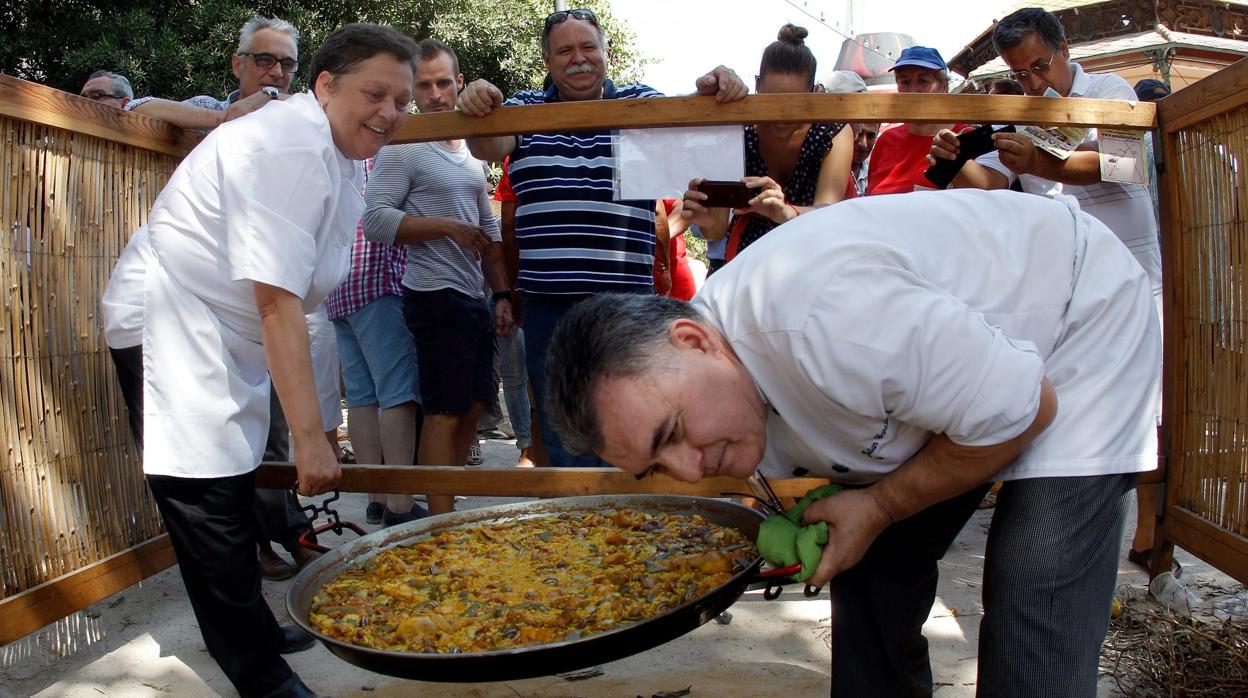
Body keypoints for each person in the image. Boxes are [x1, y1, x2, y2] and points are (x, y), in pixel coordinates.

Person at [545, 189, 1161, 697]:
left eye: (672, 434)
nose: (688, 471)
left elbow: (1025, 408)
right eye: (657, 467)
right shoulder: (730, 369)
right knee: (867, 565)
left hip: (1076, 317)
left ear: (693, 340)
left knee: (1035, 600)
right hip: (959, 376)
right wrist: (866, 514)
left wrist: (882, 504)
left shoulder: (830, 319)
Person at [130, 24, 417, 698]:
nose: (391, 112)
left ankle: (251, 635)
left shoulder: (337, 153)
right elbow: (277, 301)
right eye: (375, 93)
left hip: (226, 331)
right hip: (175, 321)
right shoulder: (290, 142)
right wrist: (314, 438)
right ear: (324, 85)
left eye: (403, 101)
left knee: (230, 491)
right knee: (207, 499)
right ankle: (260, 675)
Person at [456, 7, 747, 467]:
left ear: (606, 52)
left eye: (588, 46)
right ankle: (580, 524)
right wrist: (476, 101)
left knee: (634, 412)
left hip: (625, 300)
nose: (579, 58)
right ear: (548, 61)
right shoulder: (525, 109)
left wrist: (715, 86)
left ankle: (627, 522)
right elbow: (485, 144)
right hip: (549, 302)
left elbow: (690, 119)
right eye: (565, 50)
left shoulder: (637, 101)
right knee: (562, 420)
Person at [363, 38, 513, 516]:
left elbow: (486, 228)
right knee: (444, 412)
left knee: (472, 409)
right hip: (433, 294)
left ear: (459, 83)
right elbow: (376, 221)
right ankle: (441, 524)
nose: (434, 93)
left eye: (443, 82)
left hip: (474, 295)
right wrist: (447, 228)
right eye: (423, 85)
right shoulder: (404, 145)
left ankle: (443, 504)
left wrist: (504, 293)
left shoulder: (471, 153)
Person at [929, 8, 1162, 301]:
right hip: (1063, 278)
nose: (1034, 83)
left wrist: (1037, 162)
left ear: (1063, 48)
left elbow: (1124, 163)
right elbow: (989, 182)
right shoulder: (1015, 117)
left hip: (1129, 265)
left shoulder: (1107, 89)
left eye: (1041, 66)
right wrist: (954, 161)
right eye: (1021, 74)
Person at [683, 25, 852, 262]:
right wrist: (707, 222)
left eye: (794, 105)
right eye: (772, 101)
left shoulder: (832, 133)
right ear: (757, 86)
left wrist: (786, 212)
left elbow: (828, 213)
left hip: (808, 262)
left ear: (813, 93)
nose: (780, 117)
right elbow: (717, 229)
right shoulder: (736, 130)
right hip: (741, 265)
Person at [324, 160, 426, 528]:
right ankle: (400, 502)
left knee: (363, 397)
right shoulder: (387, 156)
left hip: (338, 285)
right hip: (379, 280)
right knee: (397, 392)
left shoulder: (337, 154)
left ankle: (376, 498)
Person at [125, 17, 298, 130]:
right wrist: (224, 118)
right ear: (237, 65)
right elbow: (134, 109)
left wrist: (270, 95)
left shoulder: (301, 125)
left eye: (287, 64)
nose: (277, 72)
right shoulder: (208, 108)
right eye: (265, 60)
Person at [492, 157, 538, 467]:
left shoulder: (515, 160)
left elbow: (508, 228)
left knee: (516, 374)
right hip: (547, 275)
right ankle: (531, 447)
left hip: (520, 274)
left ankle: (527, 449)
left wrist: (505, 286)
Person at [865, 46, 963, 195]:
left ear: (944, 87)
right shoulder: (886, 140)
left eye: (923, 81)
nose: (912, 90)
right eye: (905, 82)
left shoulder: (963, 136)